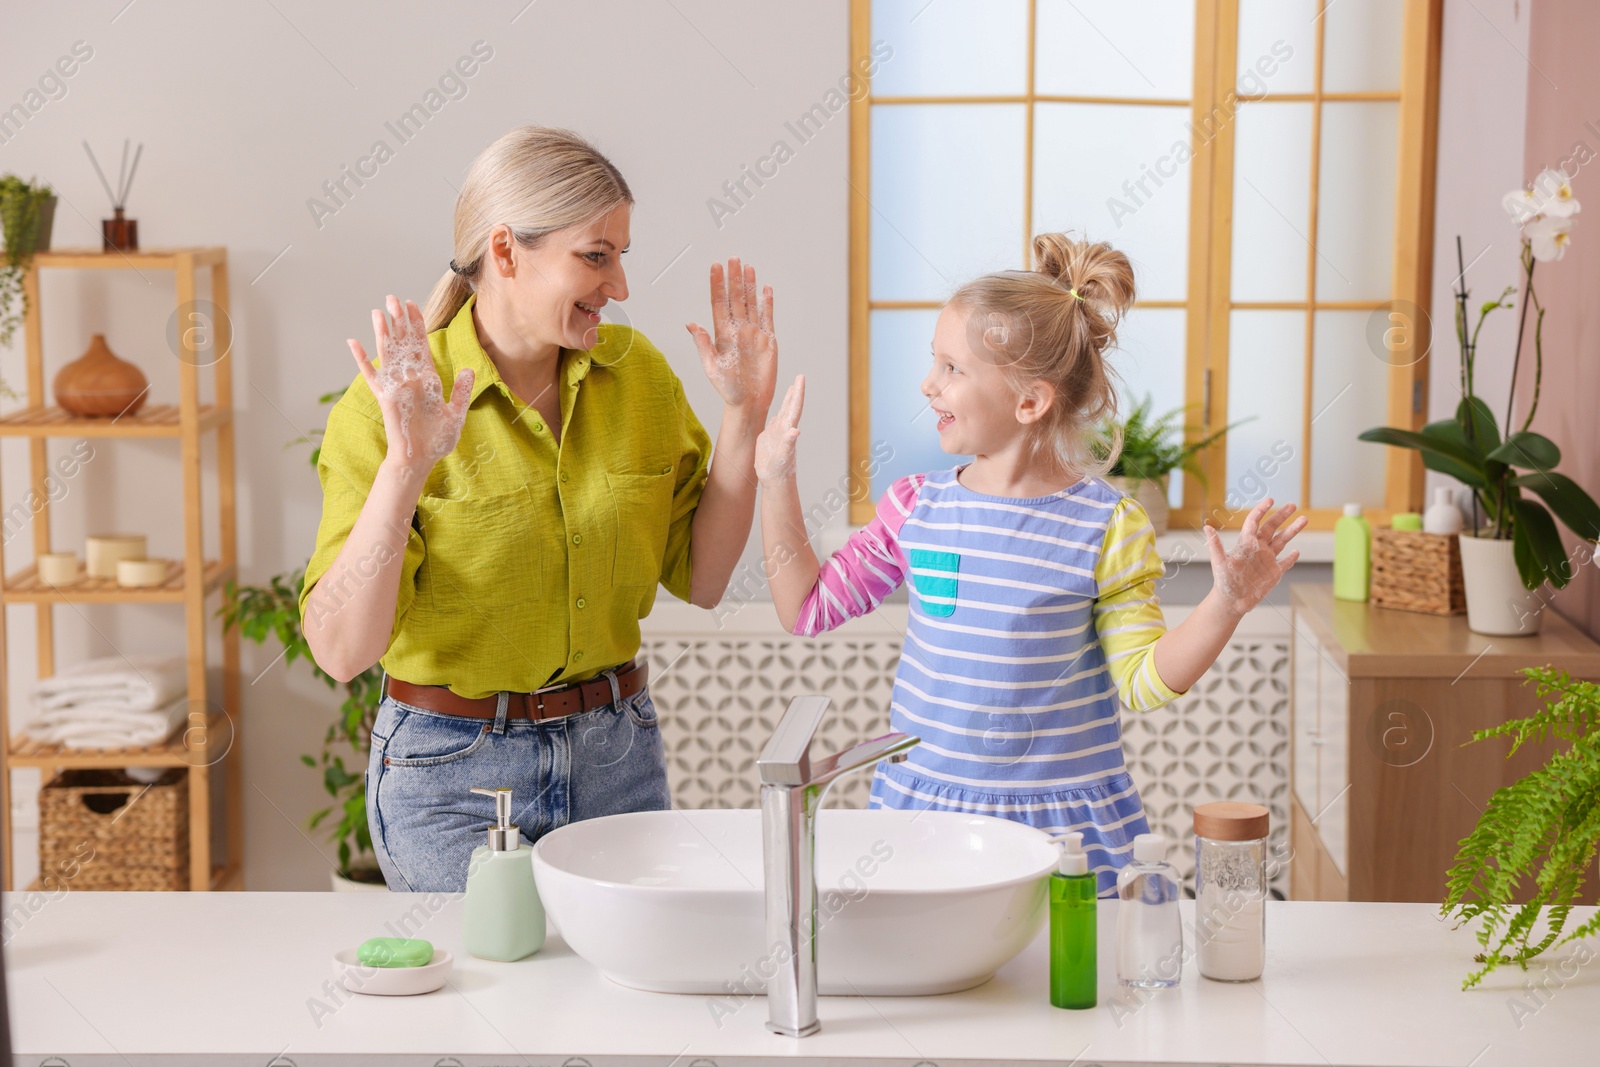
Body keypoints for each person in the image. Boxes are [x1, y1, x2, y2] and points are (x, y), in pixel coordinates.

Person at [299, 126, 778, 892]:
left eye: (621, 255)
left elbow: (706, 576)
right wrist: (405, 466)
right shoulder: (393, 403)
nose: (619, 285)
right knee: (494, 995)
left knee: (618, 1003)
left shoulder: (639, 375)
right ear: (506, 251)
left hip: (616, 760)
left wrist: (743, 418)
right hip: (450, 773)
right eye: (596, 255)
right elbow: (341, 650)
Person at [755, 231, 1306, 895]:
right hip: (926, 822)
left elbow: (1143, 681)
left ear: (1029, 401)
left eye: (953, 369)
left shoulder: (1107, 527)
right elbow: (806, 607)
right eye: (935, 362)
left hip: (1064, 837)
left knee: (1067, 988)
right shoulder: (915, 508)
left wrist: (1227, 603)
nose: (928, 384)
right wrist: (775, 475)